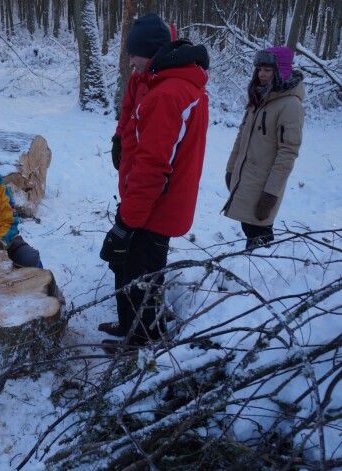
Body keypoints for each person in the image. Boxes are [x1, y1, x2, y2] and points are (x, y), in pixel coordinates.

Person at [98, 13, 210, 348]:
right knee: (130, 266)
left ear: (148, 52)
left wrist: (125, 223)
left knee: (140, 272)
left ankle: (140, 343)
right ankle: (131, 326)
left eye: (132, 54)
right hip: (148, 201)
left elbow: (152, 167)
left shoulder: (167, 94)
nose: (129, 60)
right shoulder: (163, 83)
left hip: (154, 207)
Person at [223, 46, 305, 250]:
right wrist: (231, 169)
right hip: (246, 177)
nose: (262, 74)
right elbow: (241, 137)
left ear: (280, 70)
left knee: (260, 234)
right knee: (248, 229)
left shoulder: (290, 105)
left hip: (264, 183)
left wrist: (271, 193)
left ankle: (261, 272)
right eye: (259, 69)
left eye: (268, 69)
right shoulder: (258, 99)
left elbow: (288, 152)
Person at [110, 21, 177, 170]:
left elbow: (156, 157)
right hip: (133, 165)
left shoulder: (169, 89)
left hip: (147, 176)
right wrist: (119, 137)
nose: (130, 64)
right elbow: (128, 108)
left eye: (134, 55)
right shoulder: (139, 76)